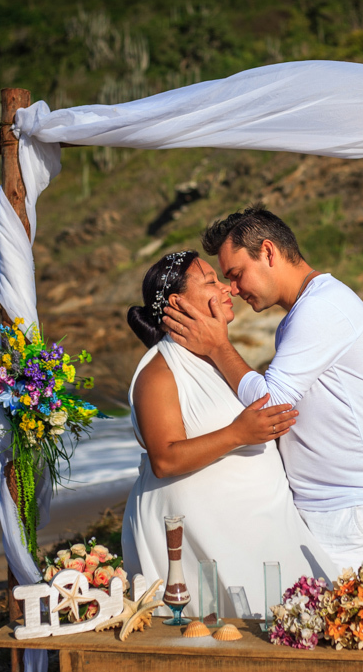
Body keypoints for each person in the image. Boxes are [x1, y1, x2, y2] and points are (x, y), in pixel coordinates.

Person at [162, 205, 363, 575]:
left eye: (236, 274)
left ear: (268, 252)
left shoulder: (322, 307)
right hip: (336, 511)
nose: (232, 289)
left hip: (355, 513)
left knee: (358, 629)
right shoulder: (303, 313)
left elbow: (272, 405)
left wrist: (218, 346)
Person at [121, 249, 334, 618]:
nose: (227, 290)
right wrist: (238, 434)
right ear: (178, 302)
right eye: (210, 282)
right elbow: (165, 458)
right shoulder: (160, 370)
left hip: (260, 525)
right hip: (209, 536)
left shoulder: (217, 359)